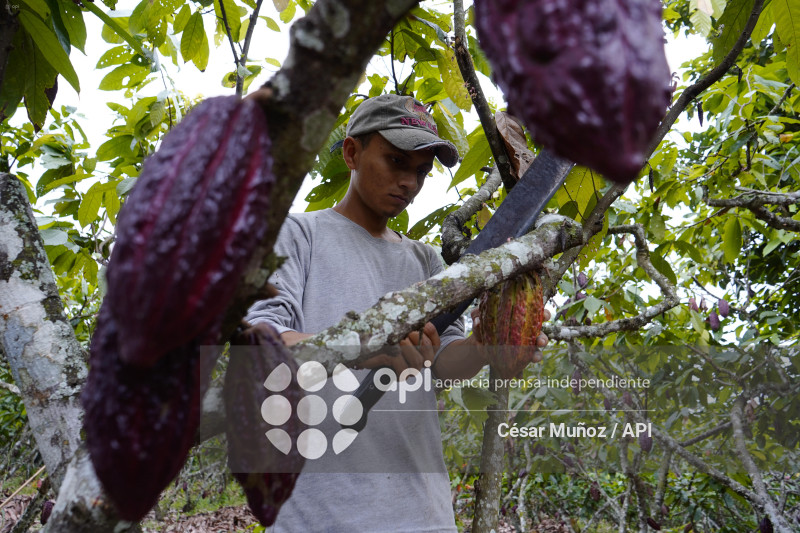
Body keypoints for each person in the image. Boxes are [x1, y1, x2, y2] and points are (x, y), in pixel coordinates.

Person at [245, 93, 549, 532]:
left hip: (420, 513)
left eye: (421, 172)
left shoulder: (426, 263)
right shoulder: (297, 235)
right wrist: (365, 350)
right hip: (318, 514)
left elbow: (442, 365)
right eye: (395, 161)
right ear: (351, 152)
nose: (409, 182)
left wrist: (486, 346)